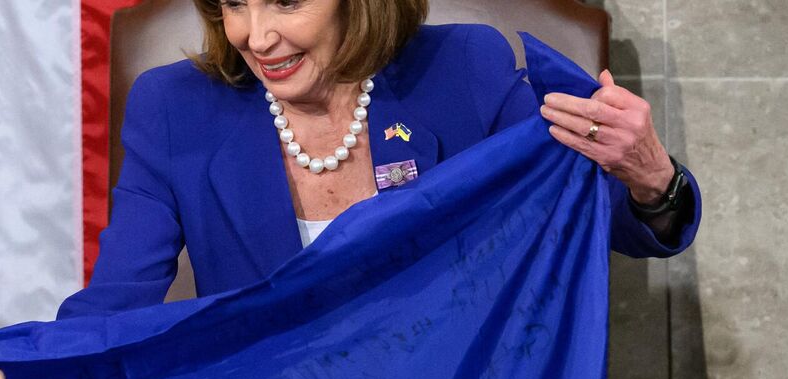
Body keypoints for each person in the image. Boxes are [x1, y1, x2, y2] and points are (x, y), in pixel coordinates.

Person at [58, 0, 701, 318]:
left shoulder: (464, 73)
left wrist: (649, 175)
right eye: (233, 2)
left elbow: (599, 222)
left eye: (286, 0)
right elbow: (115, 305)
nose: (256, 36)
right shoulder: (174, 109)